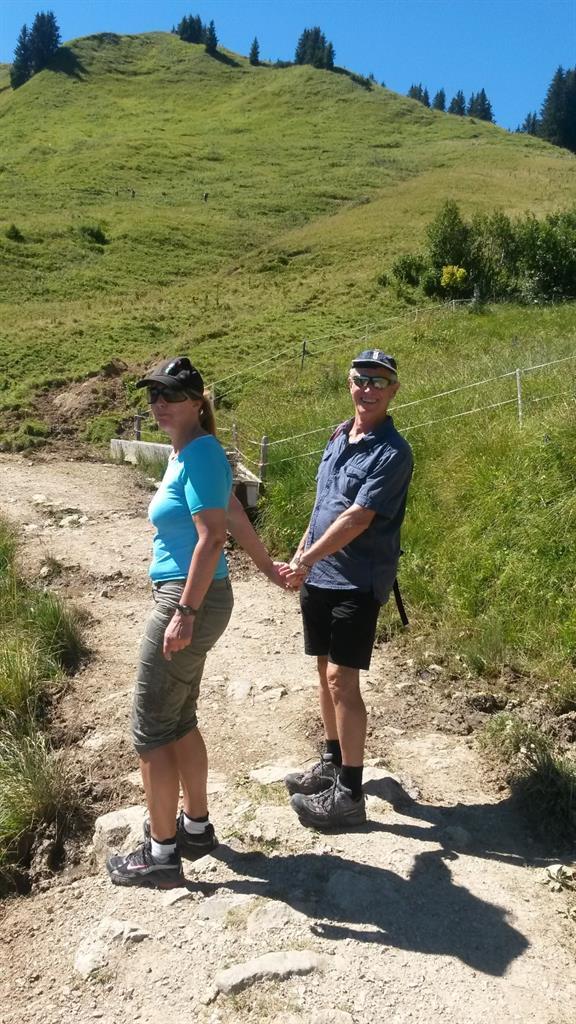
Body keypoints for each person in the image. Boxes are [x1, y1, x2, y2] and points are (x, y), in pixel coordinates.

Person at [107, 356, 286, 888]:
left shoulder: (201, 452)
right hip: (195, 595)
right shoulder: (188, 452)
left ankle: (161, 855)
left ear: (195, 401)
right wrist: (271, 570)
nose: (159, 404)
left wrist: (183, 612)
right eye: (153, 395)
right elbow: (234, 511)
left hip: (187, 597)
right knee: (179, 718)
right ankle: (196, 828)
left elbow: (213, 536)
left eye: (170, 395)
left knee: (150, 730)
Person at [282, 350, 413, 829]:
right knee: (324, 673)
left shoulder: (393, 452)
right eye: (361, 379)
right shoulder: (339, 434)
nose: (368, 388)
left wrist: (307, 558)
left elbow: (357, 518)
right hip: (320, 575)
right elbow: (324, 504)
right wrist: (302, 554)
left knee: (342, 679)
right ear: (349, 383)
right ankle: (332, 761)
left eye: (379, 381)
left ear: (393, 389)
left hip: (358, 579)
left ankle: (350, 794)